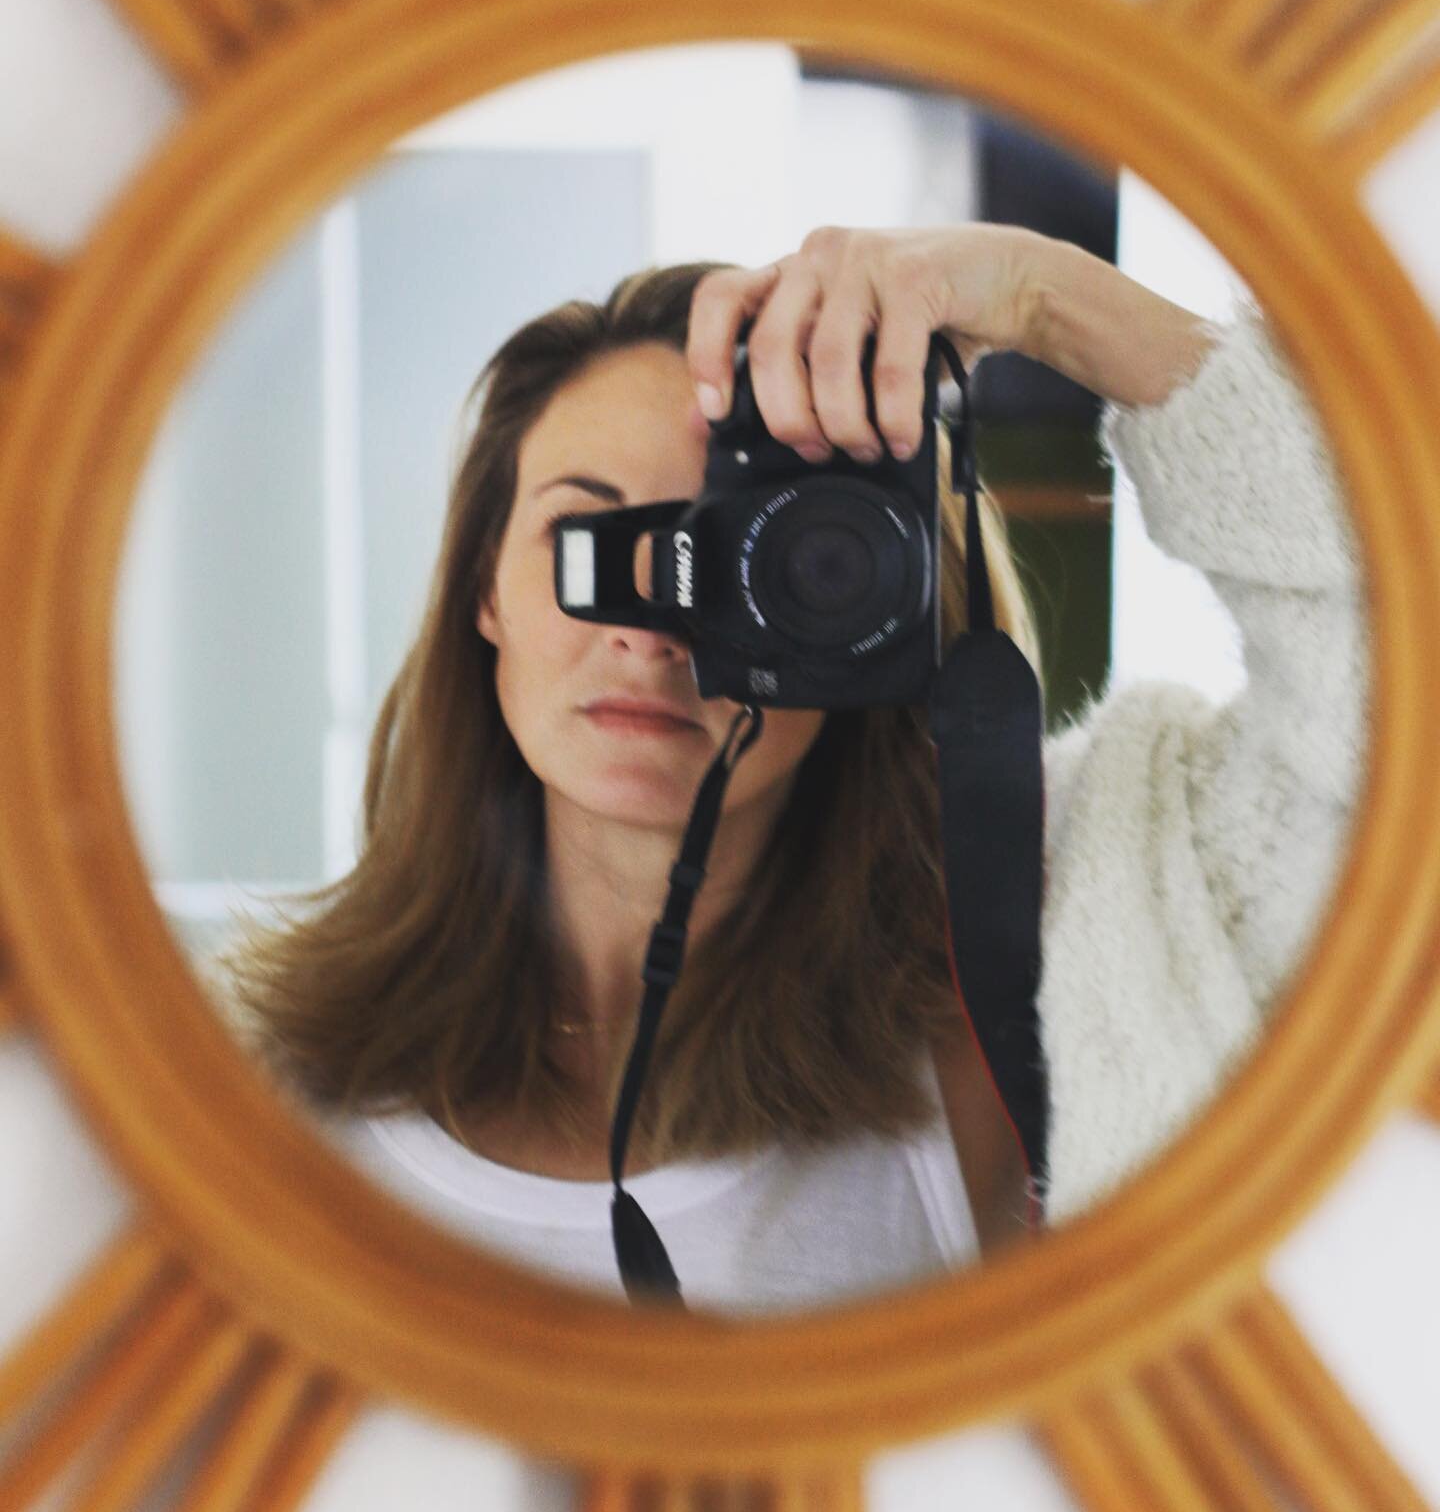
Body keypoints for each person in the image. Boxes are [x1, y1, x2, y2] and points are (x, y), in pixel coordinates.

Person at [210, 224, 1369, 1315]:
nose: (654, 631)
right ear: (485, 591)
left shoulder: (1064, 953)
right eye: (597, 543)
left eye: (752, 561)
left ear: (883, 610)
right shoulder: (244, 1078)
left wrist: (1044, 294)